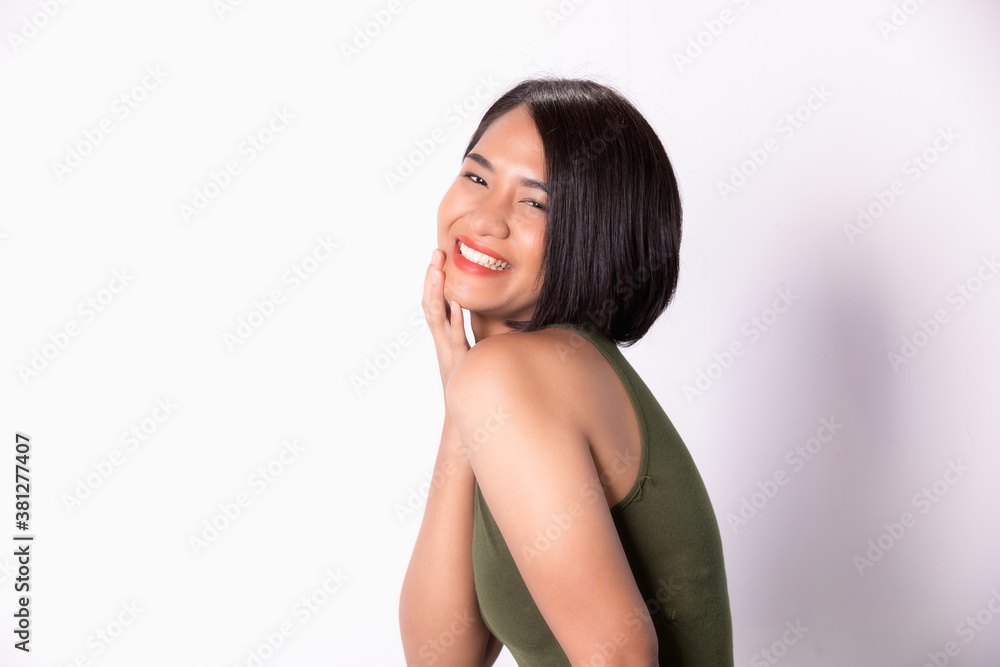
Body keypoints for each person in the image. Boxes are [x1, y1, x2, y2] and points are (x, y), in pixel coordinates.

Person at [399, 77, 733, 667]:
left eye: (535, 202)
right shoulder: (522, 376)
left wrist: (476, 378)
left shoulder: (521, 373)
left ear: (594, 237)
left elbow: (621, 660)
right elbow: (439, 658)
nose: (484, 218)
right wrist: (460, 385)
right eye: (476, 177)